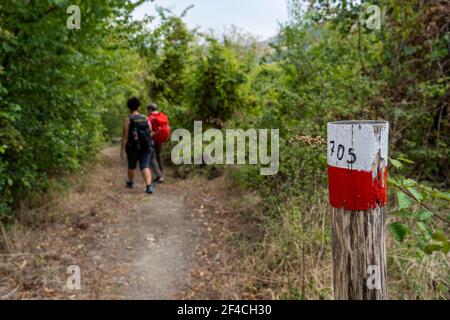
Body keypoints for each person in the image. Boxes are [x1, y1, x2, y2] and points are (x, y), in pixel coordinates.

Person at [121, 97, 154, 194]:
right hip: (146, 146)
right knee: (145, 165)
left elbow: (125, 136)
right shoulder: (145, 118)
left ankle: (131, 182)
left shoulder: (128, 119)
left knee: (131, 166)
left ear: (129, 108)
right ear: (139, 106)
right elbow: (150, 132)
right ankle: (149, 186)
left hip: (133, 147)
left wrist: (122, 150)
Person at [147, 103, 171, 184]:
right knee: (158, 156)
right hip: (161, 139)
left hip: (153, 139)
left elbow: (148, 130)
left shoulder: (150, 118)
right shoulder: (163, 116)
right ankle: (161, 173)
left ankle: (159, 176)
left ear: (150, 109)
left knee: (152, 157)